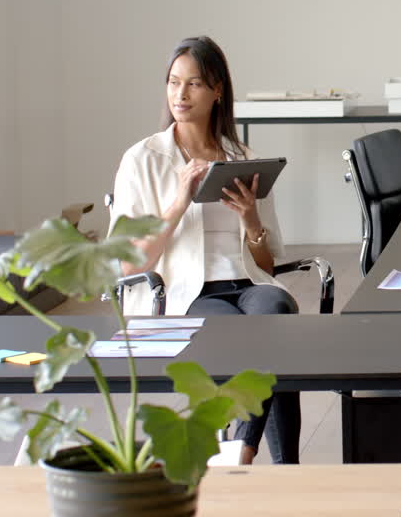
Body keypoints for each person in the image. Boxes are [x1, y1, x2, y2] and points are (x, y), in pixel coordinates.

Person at [109, 35, 299, 465]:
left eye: (193, 84)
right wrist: (178, 201)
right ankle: (264, 457)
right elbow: (129, 263)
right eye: (174, 82)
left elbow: (267, 265)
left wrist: (251, 219)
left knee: (275, 308)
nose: (180, 93)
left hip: (246, 282)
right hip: (187, 292)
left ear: (217, 91)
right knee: (252, 334)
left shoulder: (243, 158)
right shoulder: (143, 159)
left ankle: (242, 449)